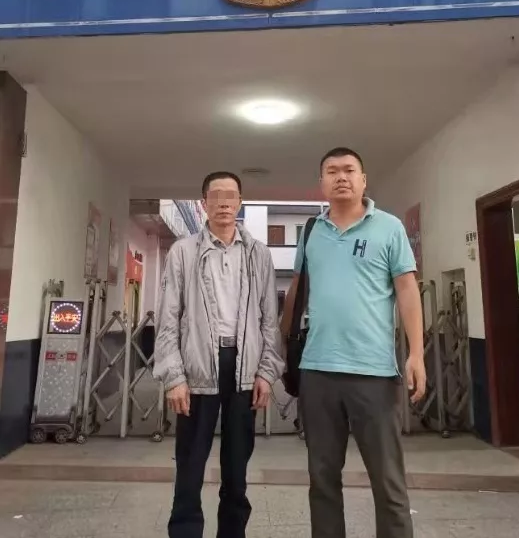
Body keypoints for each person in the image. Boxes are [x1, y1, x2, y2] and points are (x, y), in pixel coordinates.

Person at [281, 147, 426, 538]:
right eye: (332, 171)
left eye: (349, 170)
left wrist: (416, 353)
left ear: (363, 180)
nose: (341, 177)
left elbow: (407, 289)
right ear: (321, 183)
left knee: (388, 483)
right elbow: (297, 290)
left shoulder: (389, 227)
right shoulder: (311, 232)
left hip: (373, 374)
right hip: (317, 373)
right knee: (322, 480)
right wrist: (282, 345)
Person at [154, 171, 284, 538]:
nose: (224, 203)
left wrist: (267, 372)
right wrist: (174, 376)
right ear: (204, 203)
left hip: (244, 369)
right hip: (196, 367)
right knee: (190, 465)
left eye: (231, 195)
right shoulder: (183, 252)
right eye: (216, 196)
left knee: (237, 469)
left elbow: (269, 320)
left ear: (240, 202)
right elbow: (168, 317)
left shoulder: (259, 254)